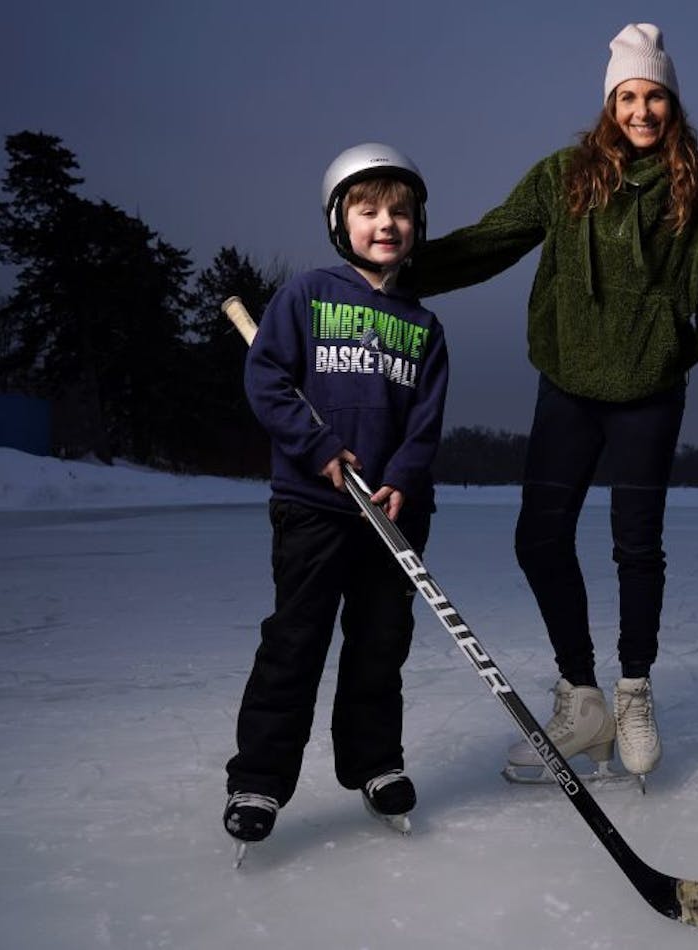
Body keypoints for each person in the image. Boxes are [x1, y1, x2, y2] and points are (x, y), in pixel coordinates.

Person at [404, 24, 698, 782]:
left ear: (673, 106)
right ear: (611, 103)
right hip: (568, 386)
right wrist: (398, 269)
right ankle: (582, 698)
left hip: (648, 393)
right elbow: (491, 239)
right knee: (539, 539)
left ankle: (634, 690)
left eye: (656, 97)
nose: (643, 110)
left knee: (636, 547)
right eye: (630, 96)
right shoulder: (564, 176)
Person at [223, 143, 451, 847]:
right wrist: (319, 449)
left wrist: (403, 479)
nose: (387, 223)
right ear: (338, 219)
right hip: (315, 508)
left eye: (400, 212)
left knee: (381, 644)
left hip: (392, 513)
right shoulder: (306, 295)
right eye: (369, 210)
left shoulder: (424, 327)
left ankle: (375, 763)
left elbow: (426, 421)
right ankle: (259, 777)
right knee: (296, 641)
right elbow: (266, 382)